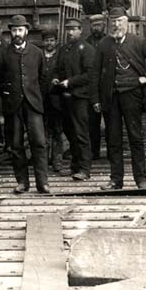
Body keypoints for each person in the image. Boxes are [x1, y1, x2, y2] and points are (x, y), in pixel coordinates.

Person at [92, 7, 146, 190]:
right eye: (113, 21)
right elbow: (94, 73)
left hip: (132, 95)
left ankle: (141, 179)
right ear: (109, 23)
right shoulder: (103, 44)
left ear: (127, 23)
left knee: (135, 137)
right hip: (111, 97)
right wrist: (95, 99)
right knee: (113, 139)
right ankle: (116, 180)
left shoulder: (138, 42)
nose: (116, 25)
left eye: (120, 21)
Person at [0, 14, 49, 194]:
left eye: (20, 30)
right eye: (14, 30)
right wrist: (7, 94)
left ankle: (43, 183)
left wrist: (34, 94)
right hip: (13, 105)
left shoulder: (37, 53)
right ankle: (22, 182)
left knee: (39, 142)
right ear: (10, 32)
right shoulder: (3, 54)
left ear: (26, 31)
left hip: (33, 104)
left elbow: (42, 78)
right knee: (16, 144)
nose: (17, 33)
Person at [54, 18, 98, 180]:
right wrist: (56, 79)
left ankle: (85, 169)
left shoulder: (87, 49)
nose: (70, 32)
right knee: (70, 133)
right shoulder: (63, 49)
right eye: (68, 29)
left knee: (81, 133)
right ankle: (75, 167)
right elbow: (58, 69)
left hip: (80, 97)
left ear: (81, 31)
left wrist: (70, 82)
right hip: (66, 98)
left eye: (74, 29)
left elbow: (90, 74)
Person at [39, 29, 64, 173]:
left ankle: (57, 161)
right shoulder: (39, 56)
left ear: (56, 42)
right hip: (41, 100)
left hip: (56, 100)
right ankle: (44, 161)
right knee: (43, 131)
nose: (49, 43)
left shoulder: (60, 56)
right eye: (47, 40)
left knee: (57, 132)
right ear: (43, 42)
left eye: (52, 40)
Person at [85, 14, 107, 158]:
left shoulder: (109, 41)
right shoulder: (86, 43)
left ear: (103, 26)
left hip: (107, 85)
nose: (96, 28)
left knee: (112, 121)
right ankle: (94, 151)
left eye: (98, 25)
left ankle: (113, 151)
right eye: (94, 26)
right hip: (92, 86)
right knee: (93, 122)